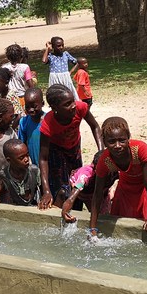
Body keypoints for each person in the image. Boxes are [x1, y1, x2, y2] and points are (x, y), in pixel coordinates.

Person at [89, 117, 147, 238]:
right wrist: (92, 228)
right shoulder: (105, 161)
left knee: (146, 212)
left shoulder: (139, 149)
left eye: (122, 140)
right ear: (104, 142)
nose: (117, 146)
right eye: (111, 142)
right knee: (120, 209)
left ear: (128, 138)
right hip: (127, 176)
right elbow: (97, 194)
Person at [38, 83, 103, 211]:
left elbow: (95, 126)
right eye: (67, 104)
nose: (73, 105)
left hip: (74, 149)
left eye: (72, 100)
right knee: (61, 189)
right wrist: (46, 191)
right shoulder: (48, 124)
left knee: (77, 181)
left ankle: (76, 212)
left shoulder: (80, 108)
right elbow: (43, 158)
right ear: (54, 108)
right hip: (57, 152)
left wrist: (102, 153)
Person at [0, 139, 40, 212]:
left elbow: (42, 190)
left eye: (27, 155)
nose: (26, 159)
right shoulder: (4, 174)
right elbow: (1, 186)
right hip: (18, 209)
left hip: (34, 207)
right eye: (21, 158)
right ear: (9, 160)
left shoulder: (34, 171)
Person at [0, 43, 35, 108]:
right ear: (21, 56)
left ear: (7, 57)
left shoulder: (4, 67)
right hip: (23, 96)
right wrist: (34, 93)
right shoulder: (25, 67)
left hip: (10, 98)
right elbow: (29, 83)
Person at [18, 88, 44, 165]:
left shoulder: (49, 121)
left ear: (42, 103)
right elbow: (22, 143)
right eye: (27, 106)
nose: (31, 110)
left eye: (34, 106)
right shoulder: (24, 122)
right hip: (34, 164)